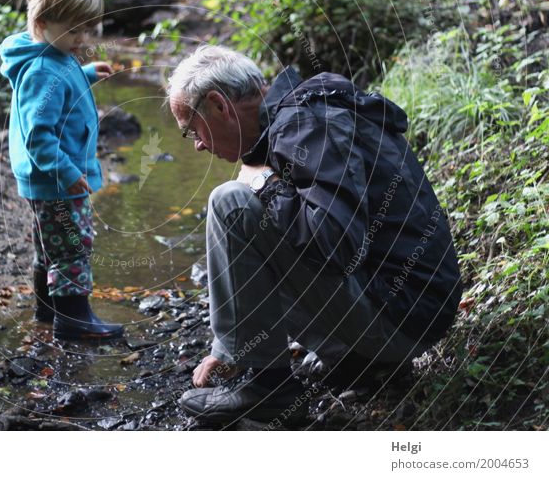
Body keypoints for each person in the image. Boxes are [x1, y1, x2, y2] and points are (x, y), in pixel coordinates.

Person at [165, 45, 463, 424]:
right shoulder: (296, 121)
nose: (199, 144)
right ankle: (352, 360)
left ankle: (265, 383)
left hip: (401, 321)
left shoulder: (306, 126)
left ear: (219, 105)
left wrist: (265, 183)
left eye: (192, 129)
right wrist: (226, 347)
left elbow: (336, 245)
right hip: (401, 312)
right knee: (249, 202)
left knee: (231, 203)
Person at [0, 0, 123, 341]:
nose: (82, 39)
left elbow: (58, 89)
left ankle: (45, 310)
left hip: (49, 178)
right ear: (40, 21)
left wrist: (84, 74)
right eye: (73, 30)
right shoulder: (42, 71)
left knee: (49, 243)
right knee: (72, 244)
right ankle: (73, 319)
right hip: (57, 178)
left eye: (87, 29)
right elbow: (39, 136)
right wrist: (69, 175)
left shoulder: (53, 57)